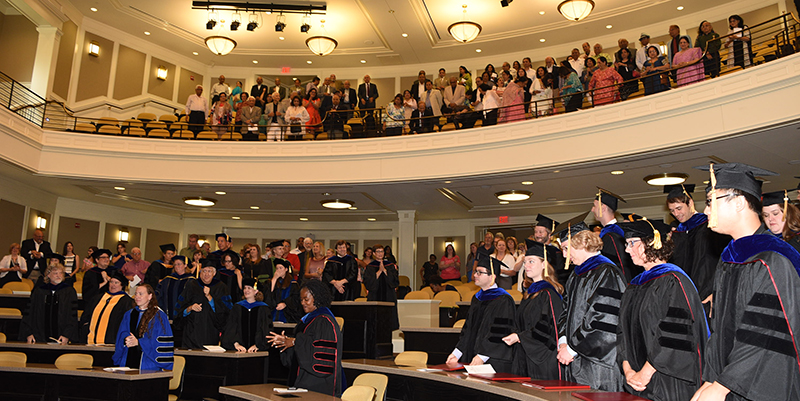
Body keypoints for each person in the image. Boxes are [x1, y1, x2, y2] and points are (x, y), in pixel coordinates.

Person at [692, 162, 800, 401]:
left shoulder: (773, 260)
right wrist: (711, 378)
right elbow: (720, 330)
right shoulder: (730, 258)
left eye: (711, 202)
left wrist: (722, 385)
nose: (706, 211)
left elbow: (764, 333)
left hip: (765, 384)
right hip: (731, 381)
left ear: (739, 202)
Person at [617, 219, 709, 400]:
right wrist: (628, 370)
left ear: (652, 242)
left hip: (666, 381)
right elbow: (622, 332)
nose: (627, 250)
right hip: (635, 382)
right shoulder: (633, 286)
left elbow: (675, 334)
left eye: (631, 243)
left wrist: (644, 373)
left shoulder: (673, 281)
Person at [556, 227, 626, 391]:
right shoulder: (575, 275)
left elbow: (605, 320)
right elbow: (566, 311)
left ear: (583, 243)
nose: (565, 255)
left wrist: (572, 349)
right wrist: (564, 341)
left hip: (599, 364)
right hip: (577, 359)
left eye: (567, 248)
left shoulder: (606, 272)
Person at [267, 279, 344, 397]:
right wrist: (285, 341)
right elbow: (301, 348)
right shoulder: (307, 320)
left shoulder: (325, 321)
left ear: (317, 298)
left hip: (319, 383)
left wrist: (294, 341)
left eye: (306, 299)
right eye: (301, 300)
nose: (303, 303)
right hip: (303, 379)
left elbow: (322, 357)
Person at [502, 240, 564, 381]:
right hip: (526, 355)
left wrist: (520, 337)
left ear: (543, 264)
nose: (526, 266)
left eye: (531, 261)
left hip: (544, 359)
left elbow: (548, 328)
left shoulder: (549, 294)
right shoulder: (529, 294)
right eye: (525, 262)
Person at [446, 256, 515, 373]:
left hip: (493, 361)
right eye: (475, 271)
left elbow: (500, 333)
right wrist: (457, 352)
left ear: (492, 277)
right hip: (472, 357)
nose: (475, 275)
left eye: (480, 272)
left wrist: (483, 356)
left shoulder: (503, 300)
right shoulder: (477, 298)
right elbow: (467, 329)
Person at [665, 184, 729, 308]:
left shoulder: (708, 226)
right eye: (672, 211)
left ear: (690, 203)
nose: (676, 213)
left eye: (679, 208)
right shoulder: (677, 232)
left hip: (706, 291)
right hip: (683, 293)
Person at [113, 284, 174, 371]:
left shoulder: (159, 316)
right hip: (127, 360)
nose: (137, 296)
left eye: (141, 294)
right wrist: (127, 338)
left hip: (148, 363)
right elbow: (121, 334)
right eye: (136, 294)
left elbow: (161, 342)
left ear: (150, 296)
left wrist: (139, 343)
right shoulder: (129, 314)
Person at [20, 263, 79, 344]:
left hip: (61, 336)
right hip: (39, 336)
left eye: (61, 273)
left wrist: (67, 334)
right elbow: (29, 314)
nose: (58, 275)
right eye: (55, 273)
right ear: (48, 275)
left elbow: (72, 316)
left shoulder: (69, 291)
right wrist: (29, 333)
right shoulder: (39, 291)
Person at [178, 262, 232, 349]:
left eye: (209, 271)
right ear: (200, 272)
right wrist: (189, 308)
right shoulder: (191, 285)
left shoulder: (221, 287)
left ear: (214, 273)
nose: (206, 274)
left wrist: (209, 297)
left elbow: (226, 311)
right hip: (191, 332)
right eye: (204, 271)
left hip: (210, 331)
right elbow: (180, 308)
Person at [593, 187, 639, 282]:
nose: (592, 209)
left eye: (595, 206)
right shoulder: (615, 232)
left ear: (603, 208)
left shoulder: (612, 235)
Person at [81, 270, 133, 345]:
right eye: (111, 282)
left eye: (116, 283)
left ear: (122, 285)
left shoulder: (127, 302)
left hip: (112, 342)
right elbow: (86, 314)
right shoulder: (98, 298)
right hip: (91, 341)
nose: (113, 285)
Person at [222, 278, 273, 352]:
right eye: (245, 288)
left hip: (257, 350)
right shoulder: (237, 307)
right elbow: (231, 327)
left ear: (256, 291)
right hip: (239, 349)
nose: (246, 290)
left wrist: (258, 345)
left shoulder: (263, 308)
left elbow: (266, 329)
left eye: (249, 288)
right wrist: (236, 343)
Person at [364, 244, 399, 329]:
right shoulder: (370, 267)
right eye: (378, 252)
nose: (380, 253)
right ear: (374, 253)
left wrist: (385, 271)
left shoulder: (390, 265)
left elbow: (395, 281)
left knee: (388, 320)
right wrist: (379, 271)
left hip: (388, 295)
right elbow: (368, 283)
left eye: (382, 251)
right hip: (375, 295)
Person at [156, 255, 195, 322]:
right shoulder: (167, 279)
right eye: (175, 265)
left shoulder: (192, 281)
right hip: (167, 316)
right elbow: (159, 294)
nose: (176, 267)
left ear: (185, 265)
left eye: (179, 264)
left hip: (185, 318)